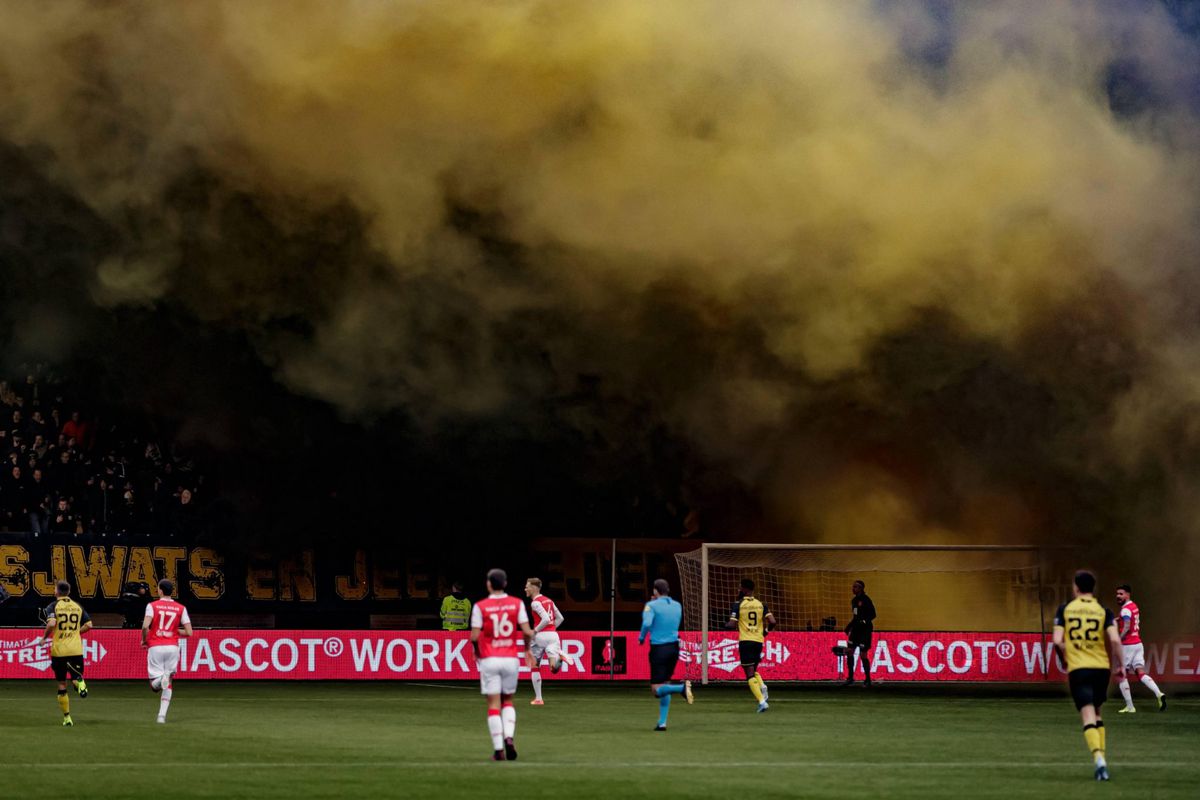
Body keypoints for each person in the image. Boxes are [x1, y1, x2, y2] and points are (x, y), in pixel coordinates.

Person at [1053, 570, 1124, 782]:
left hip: (1079, 668)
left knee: (1087, 715)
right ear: (1093, 588)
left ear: (1076, 587)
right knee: (1098, 713)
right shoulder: (1104, 611)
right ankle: (1103, 759)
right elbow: (1115, 641)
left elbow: (1057, 640)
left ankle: (1099, 761)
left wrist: (1064, 656)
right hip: (1101, 668)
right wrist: (1120, 665)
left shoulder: (1065, 609)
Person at [470, 568, 535, 761]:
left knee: (493, 704)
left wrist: (477, 650)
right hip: (510, 659)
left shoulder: (480, 606)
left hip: (490, 658)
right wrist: (526, 649)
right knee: (508, 701)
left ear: (489, 584)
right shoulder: (517, 604)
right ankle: (509, 738)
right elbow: (527, 632)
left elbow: (474, 636)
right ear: (505, 583)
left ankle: (498, 750)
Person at [639, 578, 693, 731]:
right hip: (674, 647)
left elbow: (647, 623)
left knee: (656, 690)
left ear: (655, 591)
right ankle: (662, 722)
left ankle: (681, 688)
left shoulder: (651, 606)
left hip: (659, 648)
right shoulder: (677, 605)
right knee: (665, 683)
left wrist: (642, 637)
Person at [40, 580, 92, 726]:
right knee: (76, 677)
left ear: (56, 591)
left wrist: (44, 637)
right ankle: (81, 683)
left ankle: (67, 718)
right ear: (68, 592)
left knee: (62, 683)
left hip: (59, 651)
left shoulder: (53, 606)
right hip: (75, 649)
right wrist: (76, 633)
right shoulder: (77, 606)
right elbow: (89, 625)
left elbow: (51, 623)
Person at [142, 578, 193, 724]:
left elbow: (145, 626)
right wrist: (173, 630)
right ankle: (161, 716)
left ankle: (163, 677)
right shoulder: (181, 608)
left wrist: (144, 639)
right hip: (173, 647)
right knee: (168, 683)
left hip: (156, 646)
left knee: (154, 686)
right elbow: (189, 632)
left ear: (161, 590)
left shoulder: (152, 606)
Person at [1114, 584, 1166, 712]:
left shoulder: (1125, 610)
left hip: (1128, 645)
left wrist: (1118, 639)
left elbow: (1126, 627)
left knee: (1122, 675)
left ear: (1127, 594)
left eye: (1121, 594)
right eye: (1117, 594)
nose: (1118, 596)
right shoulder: (1133, 606)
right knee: (1140, 672)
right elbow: (1128, 620)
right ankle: (1159, 693)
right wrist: (1117, 619)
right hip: (1138, 644)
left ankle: (1130, 707)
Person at [726, 578, 776, 712]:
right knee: (753, 669)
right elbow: (772, 621)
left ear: (744, 589)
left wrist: (724, 625)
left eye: (740, 587)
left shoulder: (738, 604)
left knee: (749, 674)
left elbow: (731, 625)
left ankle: (761, 701)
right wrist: (766, 631)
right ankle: (762, 686)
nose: (738, 590)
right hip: (758, 641)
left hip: (746, 641)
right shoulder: (761, 604)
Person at [524, 577, 569, 705]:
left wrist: (535, 631)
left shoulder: (535, 603)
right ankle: (560, 659)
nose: (525, 588)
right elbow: (560, 618)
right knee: (553, 669)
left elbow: (544, 619)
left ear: (534, 588)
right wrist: (551, 629)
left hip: (540, 637)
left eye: (527, 586)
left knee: (535, 666)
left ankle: (538, 699)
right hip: (553, 635)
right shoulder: (549, 600)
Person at [843, 579, 875, 686]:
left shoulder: (866, 600)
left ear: (861, 588)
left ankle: (867, 679)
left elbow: (873, 614)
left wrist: (864, 621)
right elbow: (855, 616)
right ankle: (851, 678)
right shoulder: (854, 601)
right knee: (850, 652)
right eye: (853, 587)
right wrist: (849, 627)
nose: (853, 588)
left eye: (855, 587)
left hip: (865, 631)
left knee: (863, 655)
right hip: (856, 630)